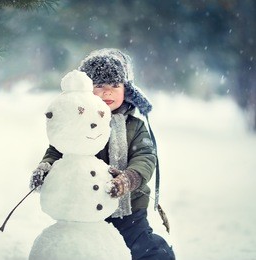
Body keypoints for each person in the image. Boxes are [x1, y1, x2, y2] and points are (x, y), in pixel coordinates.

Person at [29, 48, 175, 260]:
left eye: (115, 85)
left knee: (145, 249)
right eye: (99, 85)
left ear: (127, 90)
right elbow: (57, 150)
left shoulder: (135, 126)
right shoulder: (76, 124)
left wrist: (130, 177)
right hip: (84, 208)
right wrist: (46, 167)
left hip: (129, 210)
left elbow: (145, 157)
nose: (107, 92)